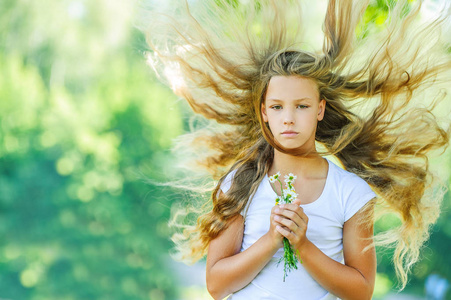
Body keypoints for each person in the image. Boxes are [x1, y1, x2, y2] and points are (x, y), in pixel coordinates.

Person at [140, 0, 451, 299]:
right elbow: (217, 285)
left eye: (301, 106)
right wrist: (272, 240)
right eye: (277, 107)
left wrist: (302, 244)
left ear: (320, 109)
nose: (288, 118)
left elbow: (361, 292)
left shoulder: (352, 193)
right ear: (263, 112)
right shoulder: (240, 184)